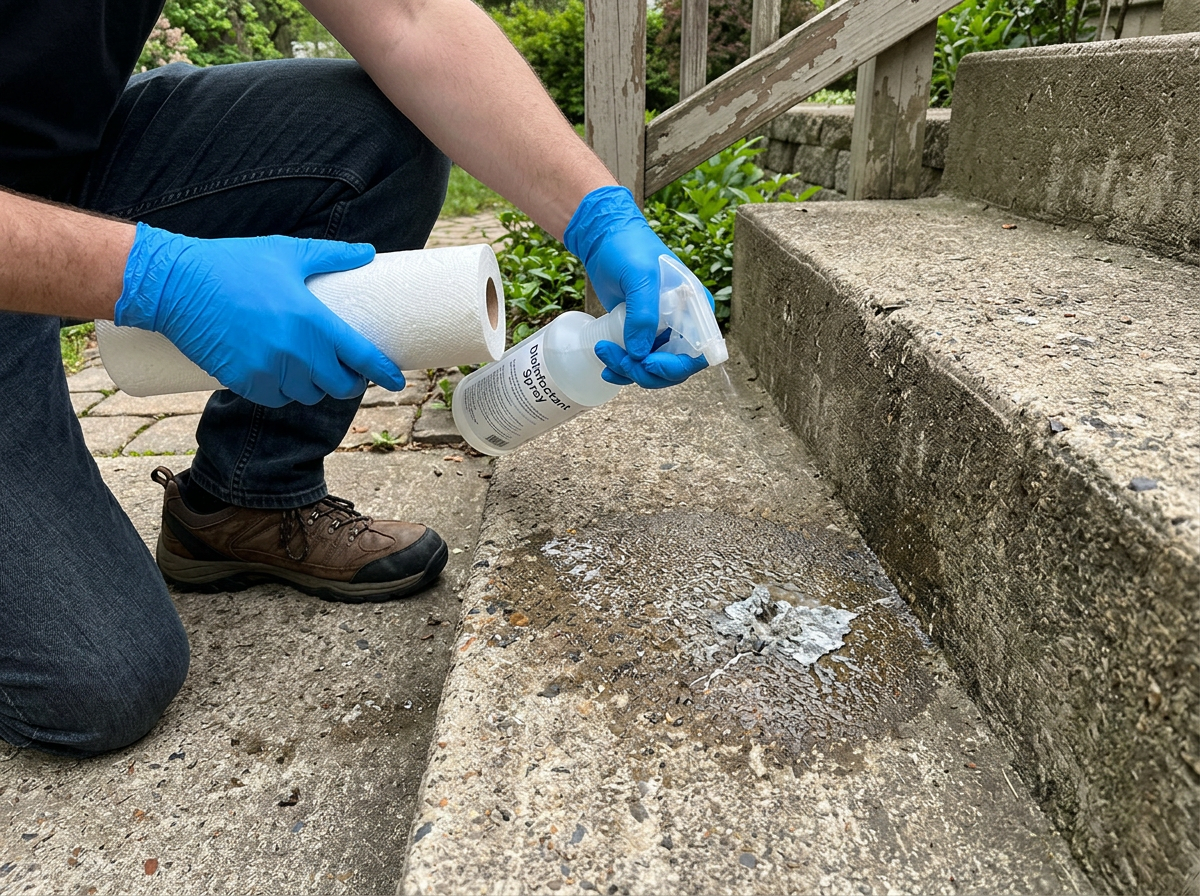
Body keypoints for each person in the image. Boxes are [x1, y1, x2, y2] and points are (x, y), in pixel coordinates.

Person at [0, 0, 710, 757]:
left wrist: (597, 215)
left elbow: (409, 17)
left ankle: (245, 501)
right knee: (103, 682)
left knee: (374, 137)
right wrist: (152, 274)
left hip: (58, 166)